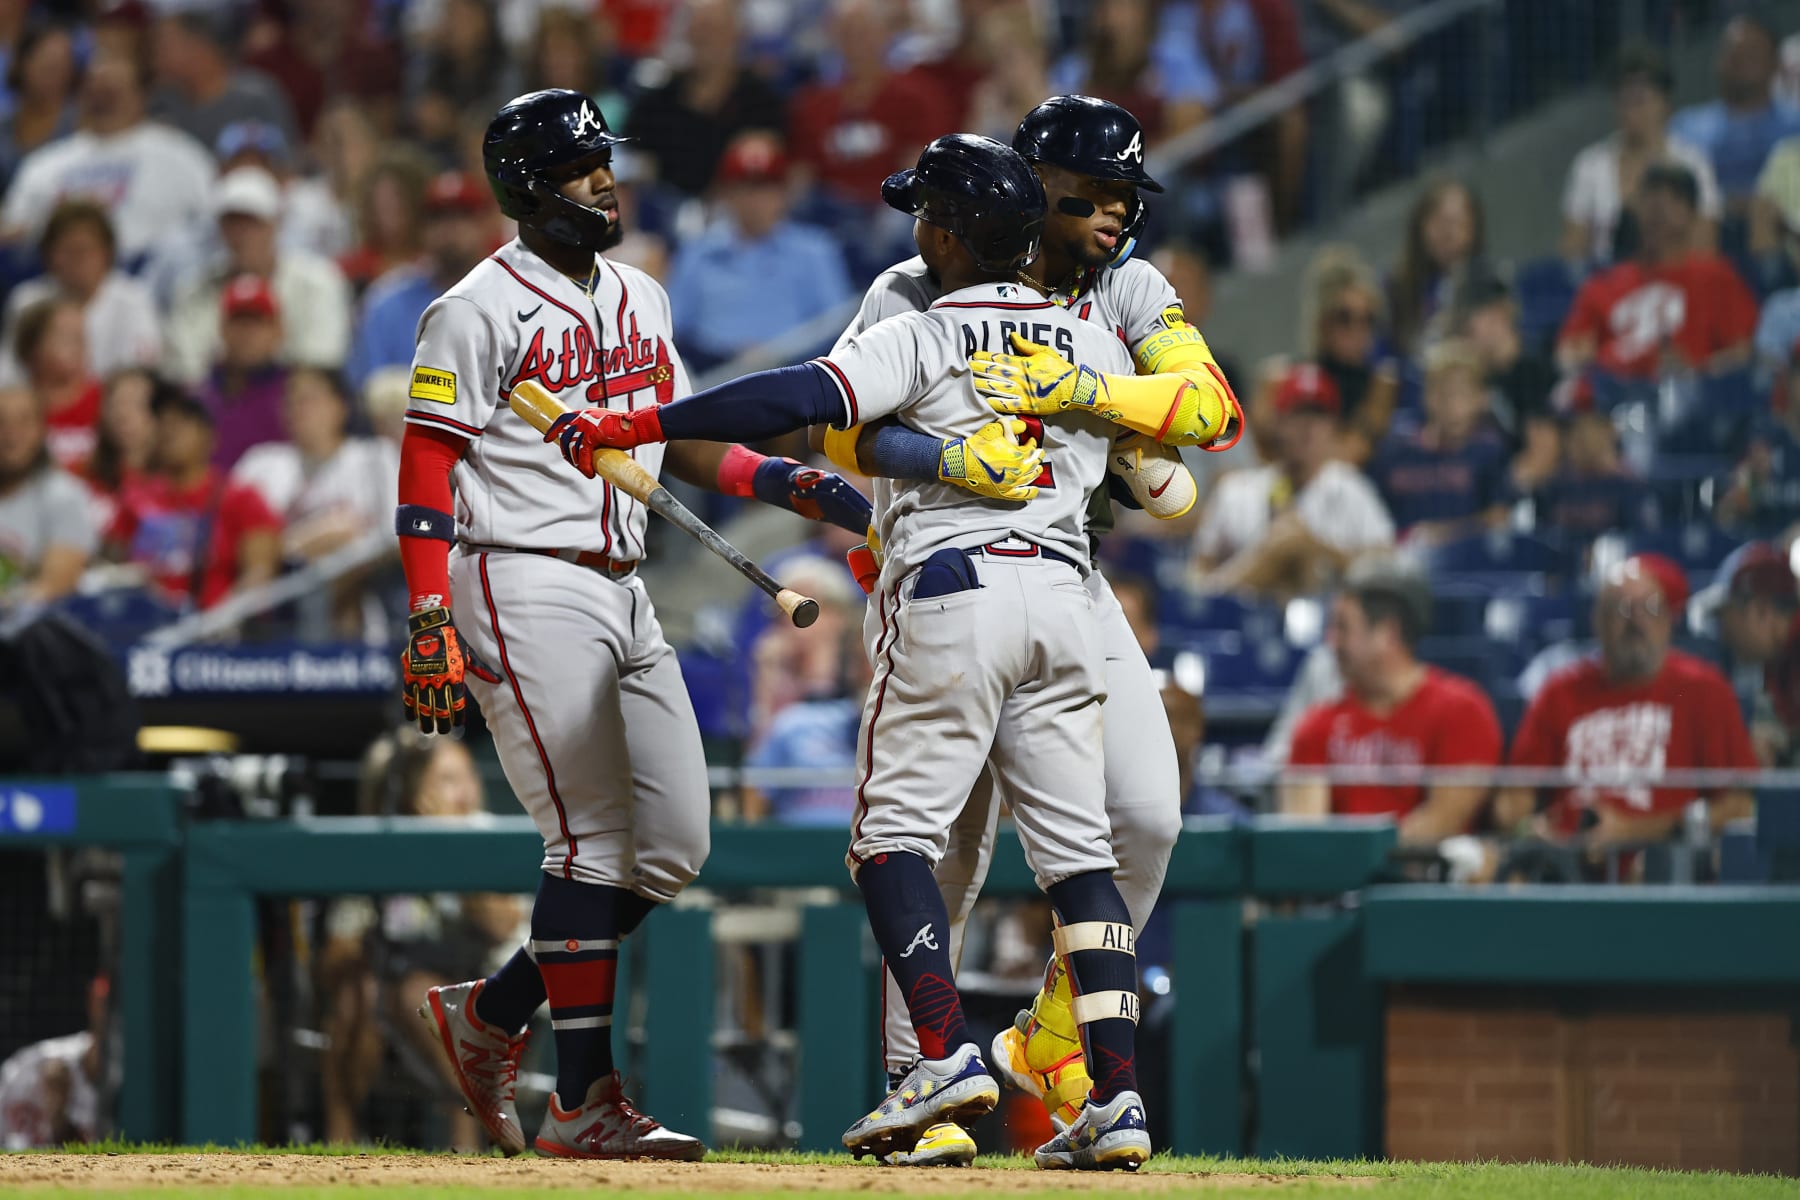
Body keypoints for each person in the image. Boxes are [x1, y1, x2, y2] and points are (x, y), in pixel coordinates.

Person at [556, 131, 1159, 1172]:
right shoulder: (1094, 345)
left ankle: (941, 1053)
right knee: (1082, 864)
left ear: (954, 235)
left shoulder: (930, 328)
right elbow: (1163, 446)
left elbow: (793, 400)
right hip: (1066, 601)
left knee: (892, 839)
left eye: (928, 215)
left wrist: (643, 419)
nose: (917, 229)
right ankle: (1117, 1097)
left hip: (954, 594)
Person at [404, 90, 871, 1162]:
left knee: (671, 846)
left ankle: (491, 1013)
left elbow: (686, 442)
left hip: (622, 579)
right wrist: (428, 608)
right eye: (580, 169)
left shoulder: (644, 297)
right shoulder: (475, 309)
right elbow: (427, 458)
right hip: (519, 576)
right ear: (528, 189)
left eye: (603, 163)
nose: (606, 182)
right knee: (590, 842)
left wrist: (814, 492)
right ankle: (582, 1100)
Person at [812, 96, 1236, 1164]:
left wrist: (1099, 395)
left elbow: (1215, 413)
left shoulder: (1126, 286)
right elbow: (843, 432)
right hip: (943, 571)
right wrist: (950, 459)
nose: (1114, 218)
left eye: (1126, 198)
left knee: (1144, 815)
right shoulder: (916, 278)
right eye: (1091, 198)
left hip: (1068, 579)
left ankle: (1057, 1037)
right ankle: (930, 1090)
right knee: (945, 846)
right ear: (1032, 186)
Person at [318, 731, 527, 1149]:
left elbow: (500, 925)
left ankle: (468, 1139)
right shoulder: (387, 844)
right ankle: (337, 1146)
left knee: (426, 993)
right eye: (447, 780)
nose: (465, 791)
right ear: (414, 794)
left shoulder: (487, 833)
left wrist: (453, 844)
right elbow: (334, 958)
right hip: (392, 996)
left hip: (499, 990)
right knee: (358, 992)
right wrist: (372, 948)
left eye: (468, 776)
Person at [1497, 554, 1757, 860]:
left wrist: (1637, 830)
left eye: (1649, 608)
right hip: (1568, 869)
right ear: (1597, 622)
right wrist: (1530, 831)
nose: (1637, 621)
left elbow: (1741, 805)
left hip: (1671, 868)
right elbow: (1512, 802)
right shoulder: (1559, 691)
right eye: (1621, 609)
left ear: (1667, 621)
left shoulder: (1705, 690)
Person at [1281, 557, 1502, 843]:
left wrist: (1364, 857)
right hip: (1335, 883)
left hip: (1429, 881)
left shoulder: (1464, 711)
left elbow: (1442, 822)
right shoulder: (1316, 725)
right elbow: (1305, 837)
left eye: (1343, 628)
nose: (1331, 641)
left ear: (1388, 634)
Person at [0, 41, 214, 266]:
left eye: (113, 90)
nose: (103, 100)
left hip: (150, 272)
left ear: (141, 94)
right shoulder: (47, 163)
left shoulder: (180, 155)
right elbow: (13, 228)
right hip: (60, 276)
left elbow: (211, 223)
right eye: (96, 90)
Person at [1195, 363, 1394, 599]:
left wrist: (1313, 546)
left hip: (1327, 623)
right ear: (1278, 423)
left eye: (1318, 416)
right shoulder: (1236, 491)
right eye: (1298, 415)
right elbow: (1198, 574)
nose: (1308, 428)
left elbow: (1386, 567)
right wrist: (1271, 554)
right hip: (1241, 622)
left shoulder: (1352, 490)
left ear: (1333, 428)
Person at [665, 134, 853, 371]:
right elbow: (674, 330)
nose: (755, 200)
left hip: (796, 379)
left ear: (783, 193)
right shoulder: (698, 253)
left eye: (766, 188)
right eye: (745, 188)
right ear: (727, 194)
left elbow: (836, 329)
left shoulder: (815, 250)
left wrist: (779, 356)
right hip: (714, 380)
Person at [1557, 163, 1758, 381]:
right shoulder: (1602, 285)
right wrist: (1587, 362)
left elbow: (1743, 352)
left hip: (1692, 399)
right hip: (1614, 397)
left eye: (1673, 199)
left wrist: (1698, 372)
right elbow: (1568, 353)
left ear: (1692, 214)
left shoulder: (1716, 276)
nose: (1658, 209)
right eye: (1649, 198)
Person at [163, 165, 352, 385]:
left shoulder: (319, 281)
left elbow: (322, 363)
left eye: (252, 223)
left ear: (276, 224)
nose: (242, 235)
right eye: (233, 223)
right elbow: (183, 371)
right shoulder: (194, 290)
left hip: (292, 408)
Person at [105, 386, 282, 611]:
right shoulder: (134, 497)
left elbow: (259, 575)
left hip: (212, 631)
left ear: (209, 436)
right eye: (163, 422)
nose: (170, 430)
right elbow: (112, 566)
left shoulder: (241, 498)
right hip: (142, 626)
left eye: (182, 422)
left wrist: (225, 619)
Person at [1561, 46, 1722, 266]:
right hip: (1609, 283)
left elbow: (1705, 247)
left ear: (1665, 104)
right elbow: (1573, 253)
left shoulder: (1692, 163)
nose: (1631, 110)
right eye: (1624, 101)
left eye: (1640, 100)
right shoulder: (1589, 166)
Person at [345, 171, 496, 390]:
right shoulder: (386, 304)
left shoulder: (515, 298)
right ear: (423, 229)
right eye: (438, 218)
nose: (450, 229)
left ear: (485, 226)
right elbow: (370, 392)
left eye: (462, 216)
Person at [622, 0, 787, 198]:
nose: (705, 38)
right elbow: (633, 165)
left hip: (734, 216)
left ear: (737, 35)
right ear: (687, 34)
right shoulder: (656, 103)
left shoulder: (761, 103)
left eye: (714, 29)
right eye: (698, 28)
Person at [0, 200, 160, 387]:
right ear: (48, 254)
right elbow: (9, 373)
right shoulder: (28, 299)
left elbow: (141, 373)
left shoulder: (133, 298)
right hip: (40, 406)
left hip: (109, 407)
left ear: (107, 253)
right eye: (67, 251)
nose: (78, 260)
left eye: (85, 250)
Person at [1368, 339, 1511, 545]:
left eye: (1463, 393)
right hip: (1396, 565)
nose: (1453, 404)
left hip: (1466, 567)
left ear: (1481, 399)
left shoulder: (1490, 453)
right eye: (1443, 392)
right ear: (1427, 397)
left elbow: (1499, 519)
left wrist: (1438, 536)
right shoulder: (1394, 451)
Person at [1669, 9, 1800, 217]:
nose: (1740, 61)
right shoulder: (1686, 127)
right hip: (1702, 236)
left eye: (1751, 53)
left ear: (1776, 62)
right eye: (1732, 51)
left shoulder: (1795, 127)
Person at [1448, 270, 1559, 490]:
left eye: (1467, 326)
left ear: (1498, 314)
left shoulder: (1531, 368)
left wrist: (1499, 497)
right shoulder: (1479, 373)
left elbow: (1543, 454)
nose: (1462, 337)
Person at [149, 7, 298, 153]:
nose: (155, 57)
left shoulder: (255, 97)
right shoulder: (164, 103)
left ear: (198, 46)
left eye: (164, 45)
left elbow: (285, 163)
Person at [0, 386, 97, 604]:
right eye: (1, 422)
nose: (11, 434)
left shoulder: (64, 496)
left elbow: (55, 586)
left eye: (24, 422)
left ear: (41, 431)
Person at [196, 275, 288, 471]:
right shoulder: (196, 399)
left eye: (257, 322)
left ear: (278, 330)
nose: (247, 333)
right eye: (238, 322)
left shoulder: (293, 397)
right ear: (222, 329)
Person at [1533, 406, 1658, 545]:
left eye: (1582, 431)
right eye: (1570, 432)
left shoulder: (1627, 485)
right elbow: (1540, 538)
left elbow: (1641, 540)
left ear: (1605, 433)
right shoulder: (1554, 484)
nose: (1573, 440)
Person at [1389, 177, 1485, 357]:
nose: (1448, 234)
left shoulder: (1487, 285)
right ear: (1421, 226)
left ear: (1473, 230)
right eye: (1440, 222)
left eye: (1458, 223)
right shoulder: (1396, 287)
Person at [13, 295, 100, 472]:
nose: (80, 345)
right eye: (66, 337)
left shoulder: (106, 403)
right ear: (33, 347)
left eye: (81, 336)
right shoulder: (11, 409)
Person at [0, 23, 78, 193]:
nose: (53, 77)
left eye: (61, 67)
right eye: (46, 67)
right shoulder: (3, 126)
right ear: (22, 64)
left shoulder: (80, 123)